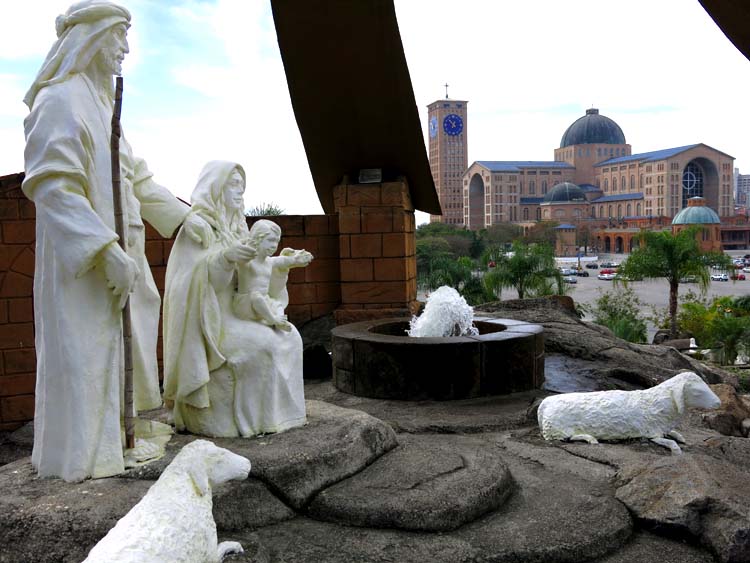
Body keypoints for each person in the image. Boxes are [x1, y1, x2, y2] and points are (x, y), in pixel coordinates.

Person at [22, 1, 211, 481]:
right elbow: (52, 186)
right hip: (86, 266)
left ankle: (121, 437)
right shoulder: (60, 100)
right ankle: (89, 454)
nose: (125, 48)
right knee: (87, 352)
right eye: (117, 37)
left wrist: (184, 219)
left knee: (127, 349)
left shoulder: (105, 107)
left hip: (127, 254)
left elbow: (137, 178)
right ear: (90, 39)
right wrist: (103, 251)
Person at [163, 161, 307, 438]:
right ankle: (255, 422)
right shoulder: (198, 228)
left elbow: (257, 277)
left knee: (290, 337)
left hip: (242, 311)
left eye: (242, 185)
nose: (240, 191)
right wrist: (225, 259)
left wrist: (283, 266)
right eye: (233, 184)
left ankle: (282, 417)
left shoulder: (240, 230)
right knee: (264, 346)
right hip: (212, 322)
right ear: (215, 187)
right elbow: (187, 283)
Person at [233, 219, 313, 332]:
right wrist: (245, 247)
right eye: (270, 240)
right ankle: (273, 320)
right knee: (257, 297)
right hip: (246, 304)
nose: (274, 245)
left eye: (277, 241)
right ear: (257, 239)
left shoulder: (269, 262)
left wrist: (296, 259)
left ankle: (280, 320)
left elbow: (283, 260)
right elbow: (241, 261)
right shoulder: (248, 262)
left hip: (264, 302)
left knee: (277, 304)